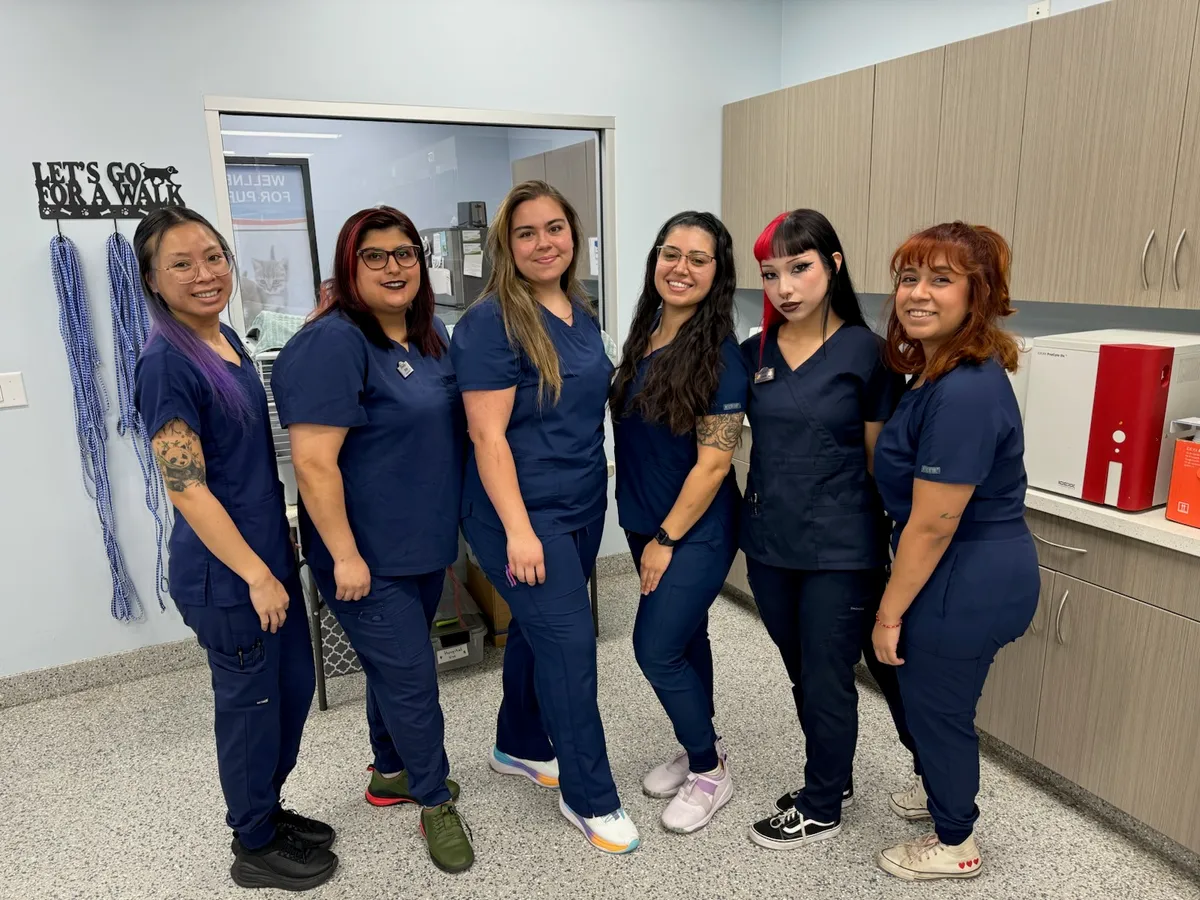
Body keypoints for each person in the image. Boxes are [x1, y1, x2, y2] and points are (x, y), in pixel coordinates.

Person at [132, 207, 337, 892]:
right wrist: (254, 572)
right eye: (181, 264)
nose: (204, 273)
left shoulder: (223, 338)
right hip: (227, 577)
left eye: (213, 256)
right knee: (250, 711)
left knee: (290, 690)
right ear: (153, 280)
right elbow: (186, 487)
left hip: (266, 559)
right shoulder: (167, 363)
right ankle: (253, 842)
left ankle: (267, 810)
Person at [270, 206, 473, 875]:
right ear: (349, 267)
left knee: (395, 669)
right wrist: (346, 555)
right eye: (375, 256)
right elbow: (313, 465)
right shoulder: (332, 344)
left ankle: (390, 770)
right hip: (365, 557)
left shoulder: (427, 335)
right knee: (414, 680)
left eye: (405, 253)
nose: (393, 267)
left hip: (422, 545)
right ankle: (434, 799)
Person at [449, 180, 638, 854]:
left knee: (538, 633)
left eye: (554, 228)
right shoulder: (490, 323)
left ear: (573, 235)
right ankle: (590, 798)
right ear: (506, 244)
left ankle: (520, 743)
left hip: (580, 503)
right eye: (525, 233)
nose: (542, 243)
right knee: (570, 651)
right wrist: (520, 532)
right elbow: (487, 436)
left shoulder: (579, 310)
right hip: (523, 517)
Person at [871, 222, 1038, 881]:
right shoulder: (936, 370)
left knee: (938, 711)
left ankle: (955, 841)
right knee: (935, 700)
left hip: (965, 573)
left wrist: (889, 614)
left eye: (940, 280)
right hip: (966, 569)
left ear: (979, 294)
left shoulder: (965, 389)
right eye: (909, 278)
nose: (917, 293)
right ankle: (940, 790)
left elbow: (934, 524)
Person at [738, 209, 908, 852]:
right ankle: (833, 777)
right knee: (799, 670)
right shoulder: (754, 351)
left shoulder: (868, 354)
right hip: (769, 541)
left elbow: (879, 461)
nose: (784, 287)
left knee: (827, 675)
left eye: (799, 268)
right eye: (770, 273)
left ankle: (820, 805)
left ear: (833, 265)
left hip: (841, 546)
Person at [609, 211, 747, 834]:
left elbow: (714, 464)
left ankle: (710, 772)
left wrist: (666, 540)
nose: (681, 267)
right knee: (689, 638)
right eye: (671, 253)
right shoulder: (645, 334)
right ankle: (700, 747)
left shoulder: (720, 357)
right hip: (645, 518)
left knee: (656, 648)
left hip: (695, 529)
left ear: (718, 272)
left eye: (698, 258)